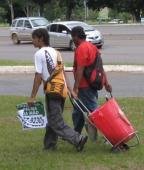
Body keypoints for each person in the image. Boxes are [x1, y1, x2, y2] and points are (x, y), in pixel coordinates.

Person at [28, 28, 88, 152]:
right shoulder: (56, 52)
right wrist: (70, 90)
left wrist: (32, 96)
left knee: (56, 122)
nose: (32, 40)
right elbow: (63, 73)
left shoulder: (39, 54)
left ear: (40, 39)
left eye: (33, 38)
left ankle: (78, 139)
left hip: (53, 91)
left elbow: (38, 76)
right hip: (62, 90)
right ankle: (50, 145)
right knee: (52, 119)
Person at [66, 26, 112, 135]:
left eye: (73, 37)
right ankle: (75, 135)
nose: (73, 40)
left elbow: (80, 69)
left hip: (85, 86)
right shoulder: (92, 46)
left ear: (76, 36)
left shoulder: (81, 48)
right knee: (77, 112)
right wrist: (106, 83)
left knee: (96, 112)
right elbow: (100, 67)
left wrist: (75, 88)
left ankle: (110, 135)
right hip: (92, 84)